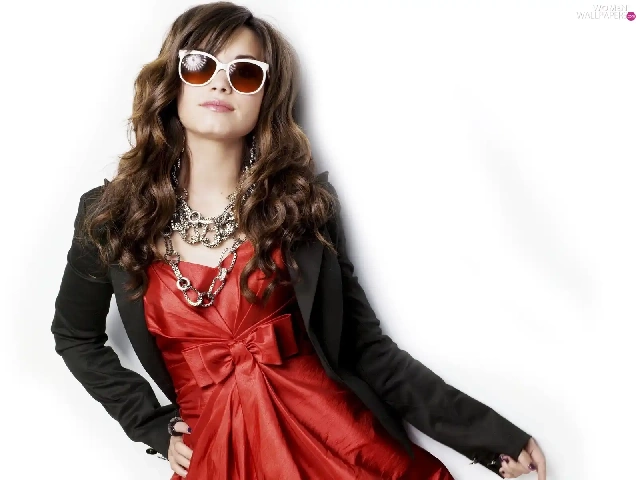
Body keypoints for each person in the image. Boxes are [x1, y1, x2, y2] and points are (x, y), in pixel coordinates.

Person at [51, 2, 547, 479]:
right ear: (173, 81)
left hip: (340, 449)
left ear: (265, 98)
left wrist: (489, 437)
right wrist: (151, 424)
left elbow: (365, 347)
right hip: (214, 459)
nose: (221, 82)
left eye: (246, 73)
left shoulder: (301, 208)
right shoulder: (110, 217)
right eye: (200, 65)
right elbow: (75, 336)